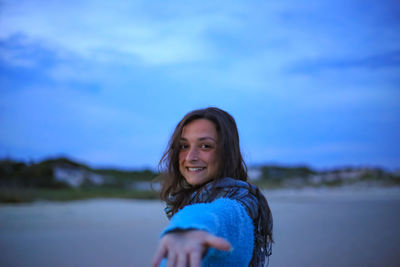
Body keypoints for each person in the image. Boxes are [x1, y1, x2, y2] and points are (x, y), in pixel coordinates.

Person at [152, 107, 273, 267]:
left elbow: (223, 214)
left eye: (205, 146)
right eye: (184, 146)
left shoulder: (241, 199)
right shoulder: (188, 199)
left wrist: (190, 227)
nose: (190, 157)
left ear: (226, 152)